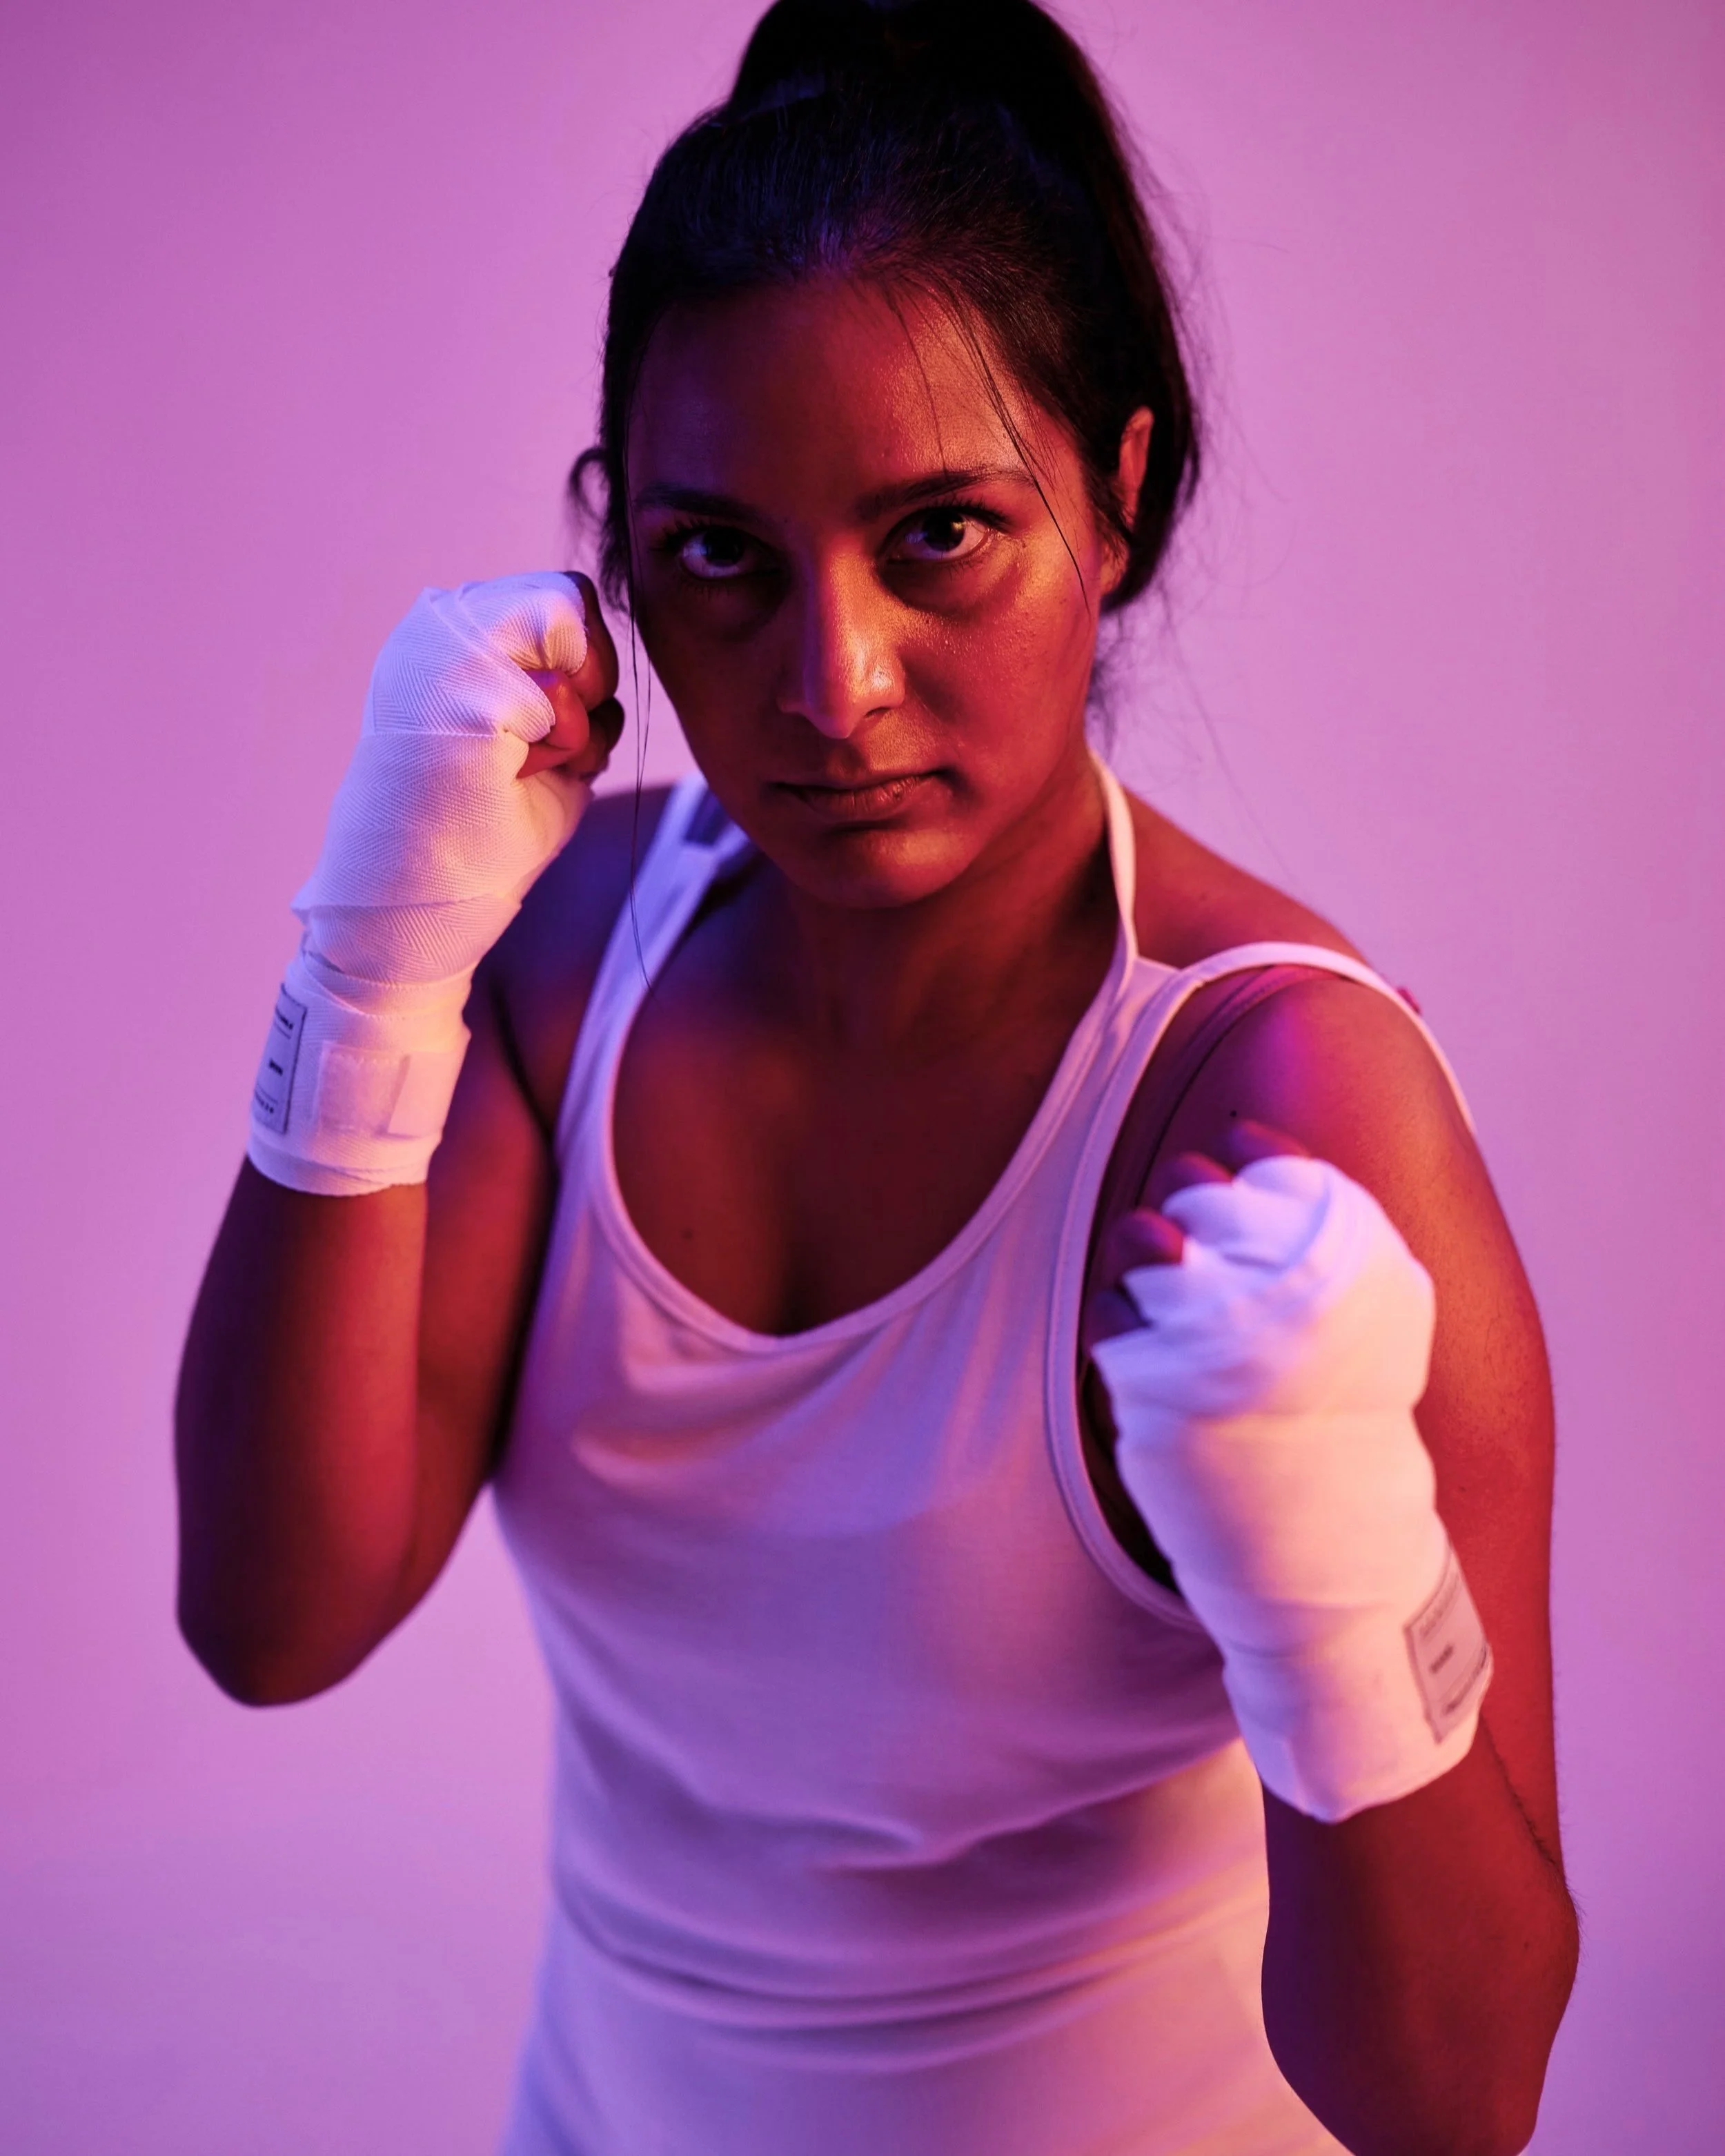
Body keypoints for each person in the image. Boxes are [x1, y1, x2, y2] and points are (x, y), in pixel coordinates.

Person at [175, 2, 1578, 2150]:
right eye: (719, 557)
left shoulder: (1273, 1104)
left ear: (1110, 495)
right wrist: (369, 963)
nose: (826, 685)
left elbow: (1455, 2100)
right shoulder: (565, 955)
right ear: (616, 545)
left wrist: (1334, 1550)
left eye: (939, 534)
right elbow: (273, 1615)